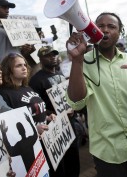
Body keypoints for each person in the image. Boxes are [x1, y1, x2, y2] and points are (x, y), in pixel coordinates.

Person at [66, 12, 127, 177]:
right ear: (92, 31)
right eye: (100, 26)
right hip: (107, 151)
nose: (105, 30)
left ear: (120, 32)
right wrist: (77, 61)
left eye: (111, 26)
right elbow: (77, 102)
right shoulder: (82, 61)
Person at [29, 45, 80, 177]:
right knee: (60, 164)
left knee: (73, 158)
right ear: (40, 59)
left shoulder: (60, 74)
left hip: (69, 122)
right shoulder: (35, 81)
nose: (53, 57)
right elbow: (36, 106)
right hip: (54, 127)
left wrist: (71, 106)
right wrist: (49, 114)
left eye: (54, 54)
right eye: (48, 55)